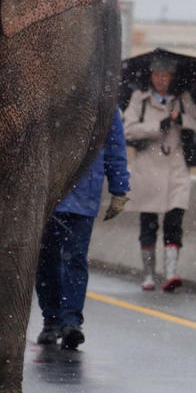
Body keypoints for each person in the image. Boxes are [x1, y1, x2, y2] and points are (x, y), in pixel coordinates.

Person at [36, 107, 130, 350]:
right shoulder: (57, 95)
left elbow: (114, 146)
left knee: (71, 259)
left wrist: (119, 188)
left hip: (79, 195)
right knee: (49, 261)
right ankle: (53, 320)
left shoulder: (104, 104)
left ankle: (69, 322)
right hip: (52, 194)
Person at [123, 54, 196, 292]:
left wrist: (182, 120)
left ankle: (170, 273)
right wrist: (157, 127)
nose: (161, 80)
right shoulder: (140, 99)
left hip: (176, 168)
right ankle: (148, 274)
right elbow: (128, 130)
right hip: (148, 168)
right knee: (148, 223)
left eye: (165, 76)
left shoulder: (182, 99)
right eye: (157, 75)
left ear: (172, 77)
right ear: (151, 76)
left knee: (174, 219)